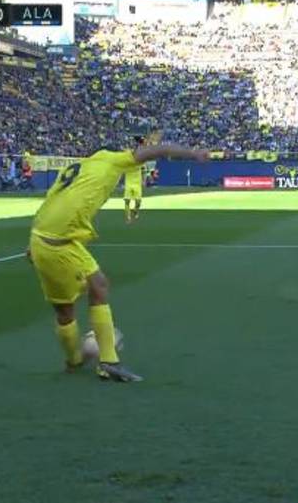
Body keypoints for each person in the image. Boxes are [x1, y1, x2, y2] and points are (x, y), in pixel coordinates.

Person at [27, 140, 209, 382]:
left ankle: (77, 361)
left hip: (44, 237)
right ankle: (105, 362)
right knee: (92, 290)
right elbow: (159, 149)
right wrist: (193, 153)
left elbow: (52, 200)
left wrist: (31, 243)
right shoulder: (112, 161)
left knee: (69, 307)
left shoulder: (78, 167)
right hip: (59, 242)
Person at [123, 135, 146, 223]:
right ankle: (128, 218)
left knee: (138, 201)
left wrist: (143, 180)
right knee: (127, 201)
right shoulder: (127, 156)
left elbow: (143, 169)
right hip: (128, 182)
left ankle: (135, 211)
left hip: (137, 182)